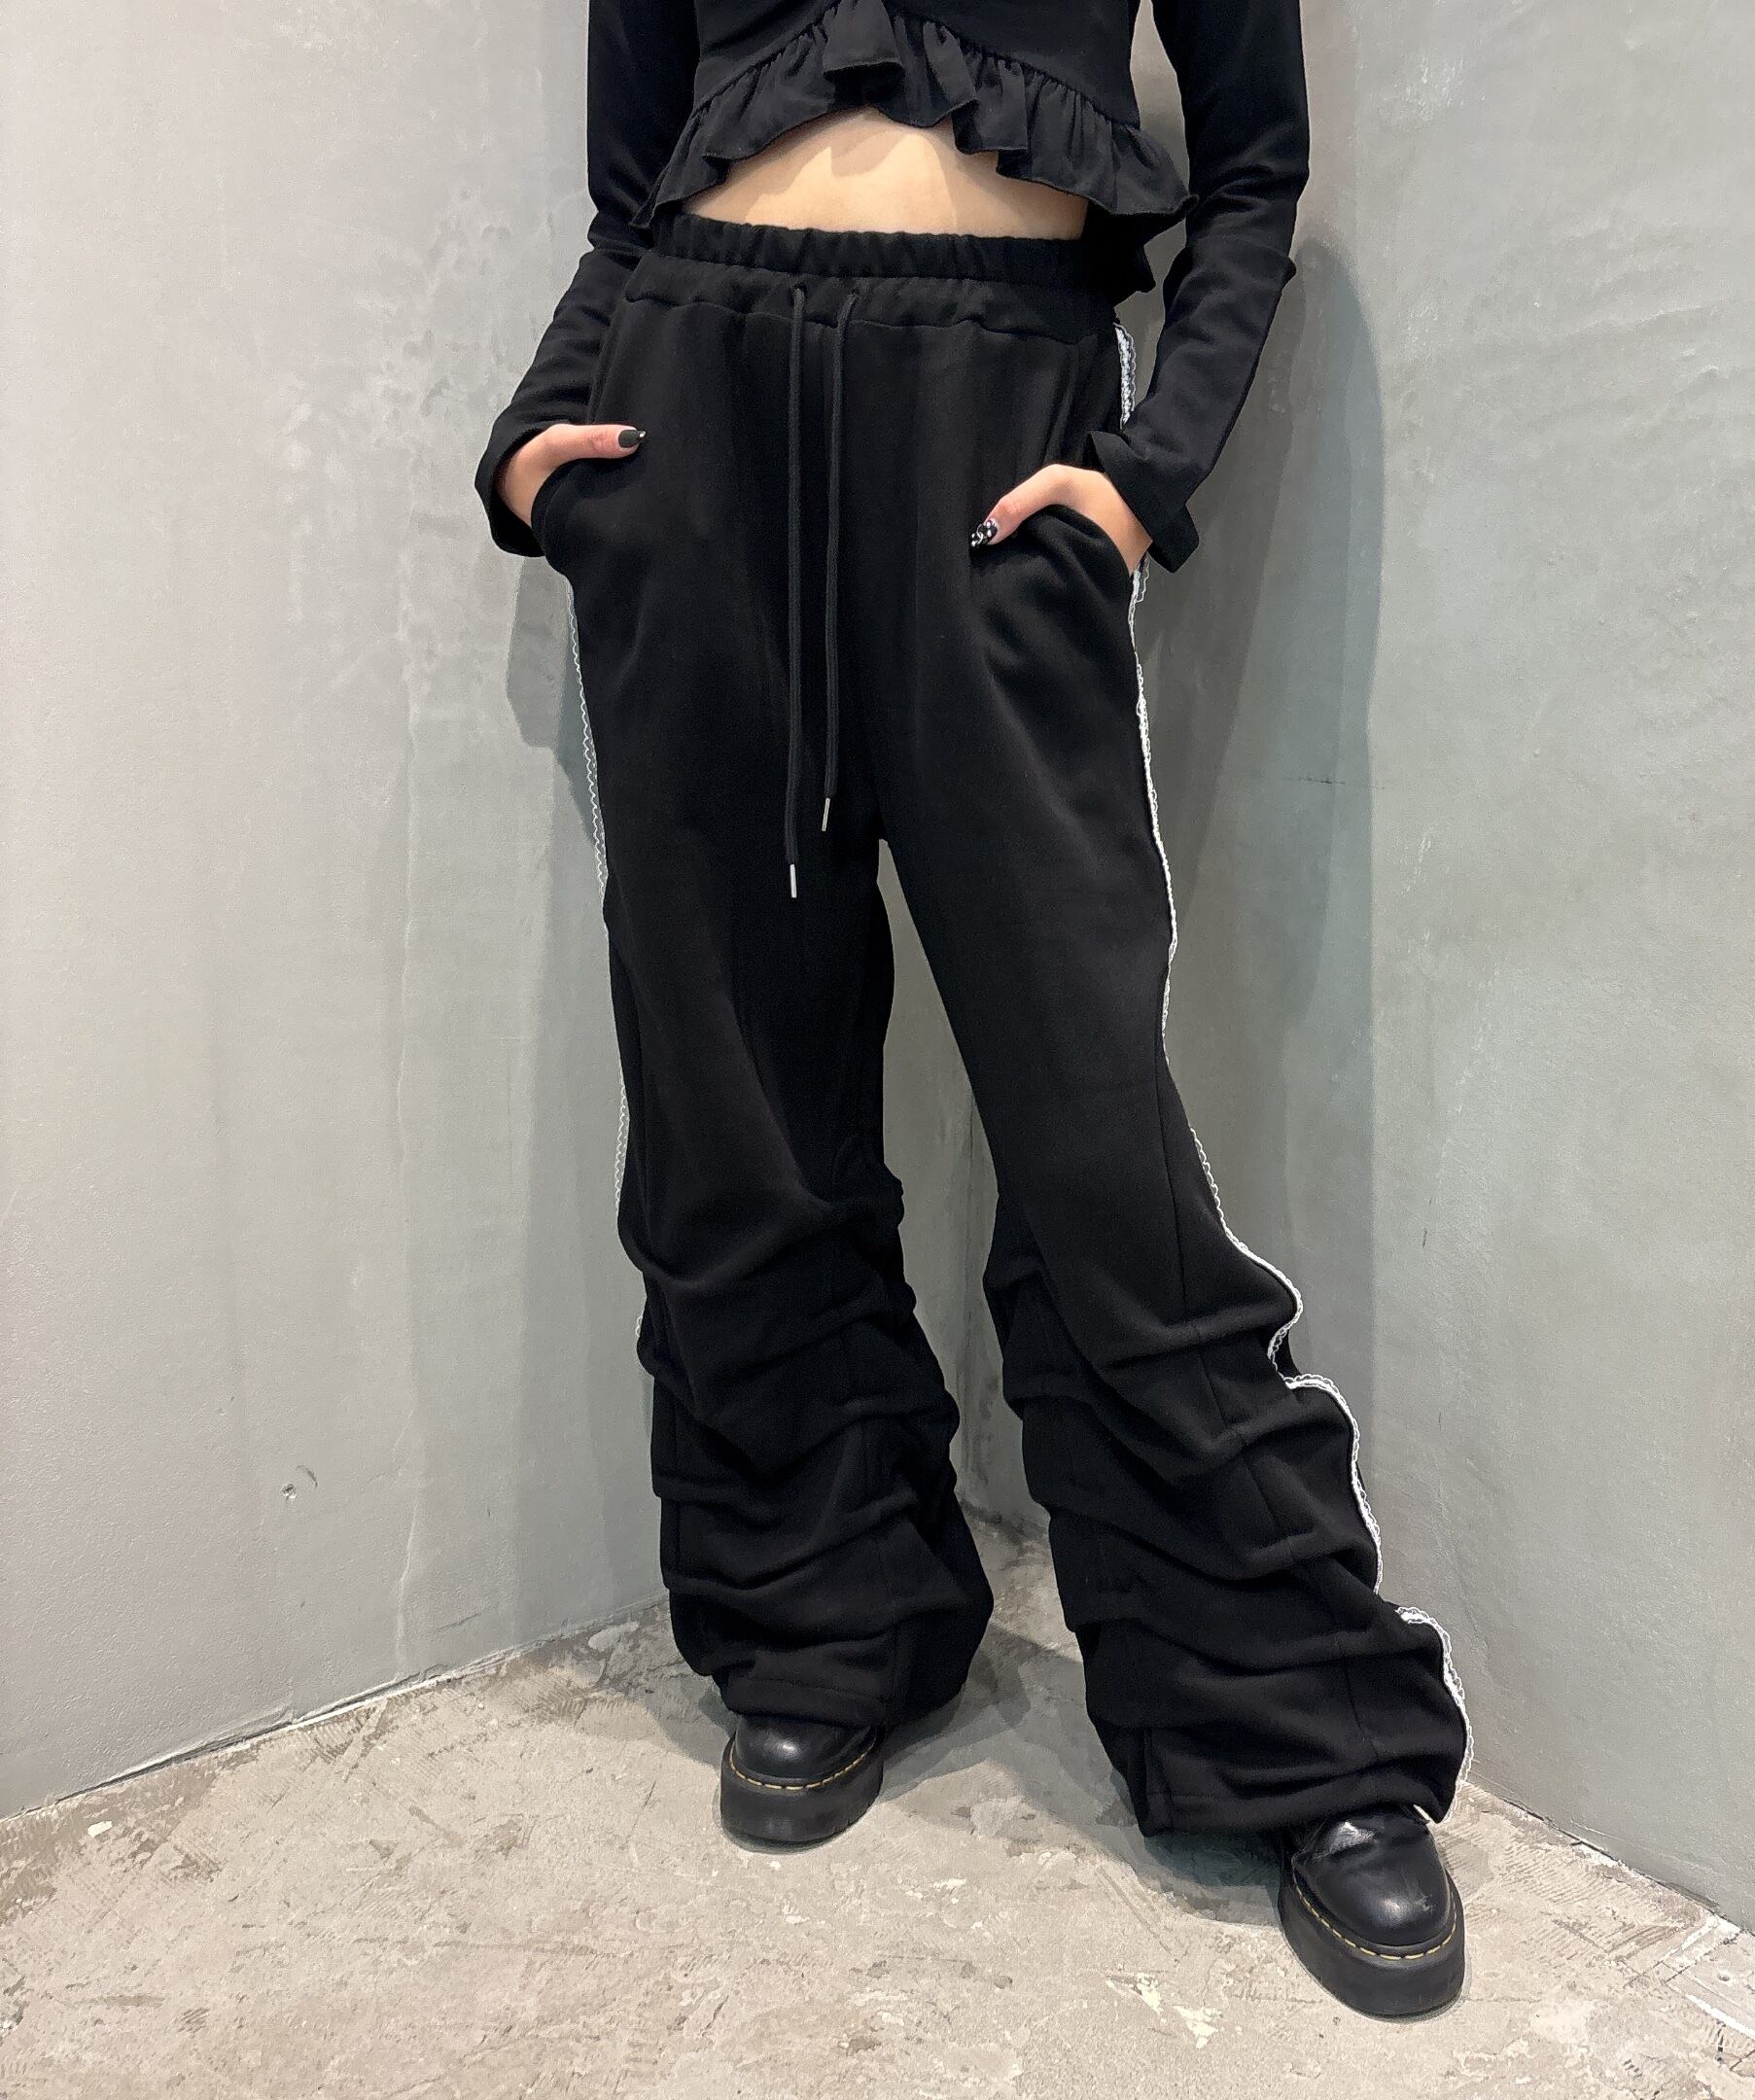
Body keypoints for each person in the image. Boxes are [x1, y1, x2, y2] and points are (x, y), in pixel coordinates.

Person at [474, 0, 1473, 2018]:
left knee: (1094, 1124)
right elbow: (629, 192)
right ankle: (821, 1617)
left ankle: (1285, 1718)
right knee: (731, 1084)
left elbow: (1254, 177)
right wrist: (537, 441)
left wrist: (1143, 474)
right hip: (693, 421)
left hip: (999, 423)